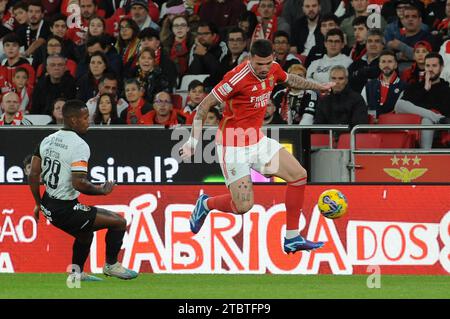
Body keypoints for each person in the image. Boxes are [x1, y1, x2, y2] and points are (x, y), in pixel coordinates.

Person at [180, 39, 335, 253]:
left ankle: (292, 237)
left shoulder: (274, 69)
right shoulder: (235, 79)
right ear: (250, 58)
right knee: (243, 206)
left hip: (257, 140)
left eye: (268, 63)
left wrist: (319, 86)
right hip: (232, 145)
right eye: (259, 64)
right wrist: (192, 142)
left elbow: (290, 79)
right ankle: (205, 204)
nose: (264, 69)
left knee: (299, 175)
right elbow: (204, 106)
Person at [28, 99, 138, 281]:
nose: (90, 120)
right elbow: (79, 183)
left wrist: (38, 204)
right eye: (85, 117)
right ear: (73, 120)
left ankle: (76, 275)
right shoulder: (79, 145)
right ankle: (112, 265)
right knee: (119, 222)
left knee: (85, 235)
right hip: (64, 209)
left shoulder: (47, 140)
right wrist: (102, 190)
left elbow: (33, 174)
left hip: (48, 204)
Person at [395, 52, 450, 149]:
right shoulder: (415, 86)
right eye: (428, 65)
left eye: (434, 66)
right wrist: (424, 90)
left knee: (427, 120)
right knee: (399, 103)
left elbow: (445, 110)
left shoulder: (447, 89)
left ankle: (425, 154)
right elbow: (401, 107)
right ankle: (437, 118)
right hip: (412, 124)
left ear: (441, 67)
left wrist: (421, 109)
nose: (430, 69)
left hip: (435, 128)